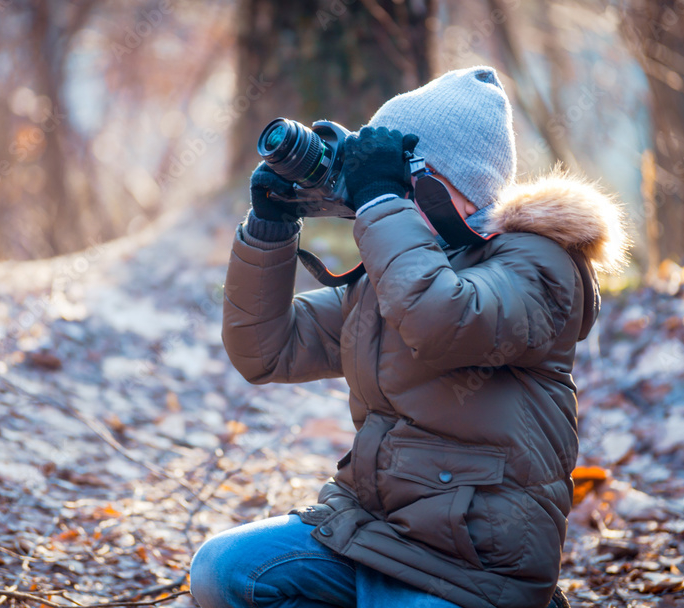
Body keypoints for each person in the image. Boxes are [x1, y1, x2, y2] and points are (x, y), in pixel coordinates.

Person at [191, 66, 627, 608]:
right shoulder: (399, 268)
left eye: (398, 175)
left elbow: (444, 322)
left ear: (459, 188)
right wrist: (269, 229)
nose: (384, 191)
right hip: (372, 535)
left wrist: (379, 202)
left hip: (473, 569)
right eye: (382, 176)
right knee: (223, 570)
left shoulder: (539, 262)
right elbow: (265, 351)